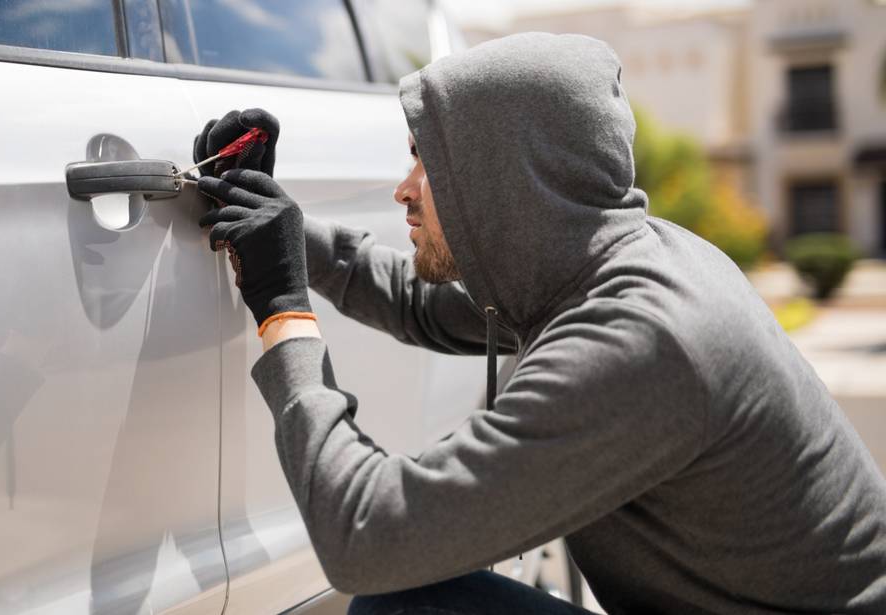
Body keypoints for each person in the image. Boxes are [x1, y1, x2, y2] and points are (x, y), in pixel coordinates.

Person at [193, 33, 886, 614]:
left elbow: (366, 539)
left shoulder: (642, 338)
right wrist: (280, 221)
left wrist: (284, 311)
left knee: (406, 603)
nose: (402, 187)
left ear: (501, 175)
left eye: (425, 159)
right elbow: (413, 299)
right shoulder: (600, 261)